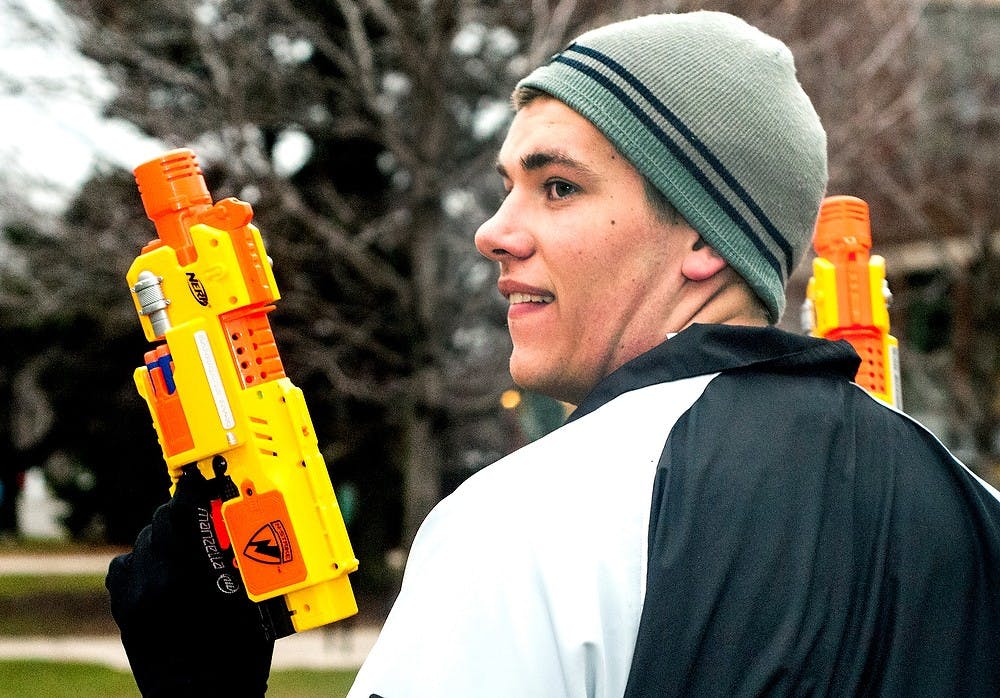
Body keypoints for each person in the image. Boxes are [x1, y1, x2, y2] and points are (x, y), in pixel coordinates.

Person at [107, 10, 1000, 697]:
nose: (495, 233)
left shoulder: (530, 522)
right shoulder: (975, 510)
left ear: (703, 237)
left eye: (558, 186)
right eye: (508, 188)